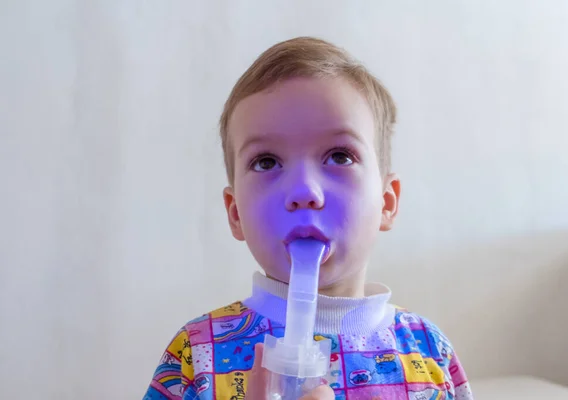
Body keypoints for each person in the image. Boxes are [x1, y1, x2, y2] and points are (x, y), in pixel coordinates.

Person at [143, 36, 473, 400]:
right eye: (266, 162)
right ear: (235, 213)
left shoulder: (428, 350)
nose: (304, 191)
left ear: (387, 202)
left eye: (339, 156)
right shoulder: (197, 353)